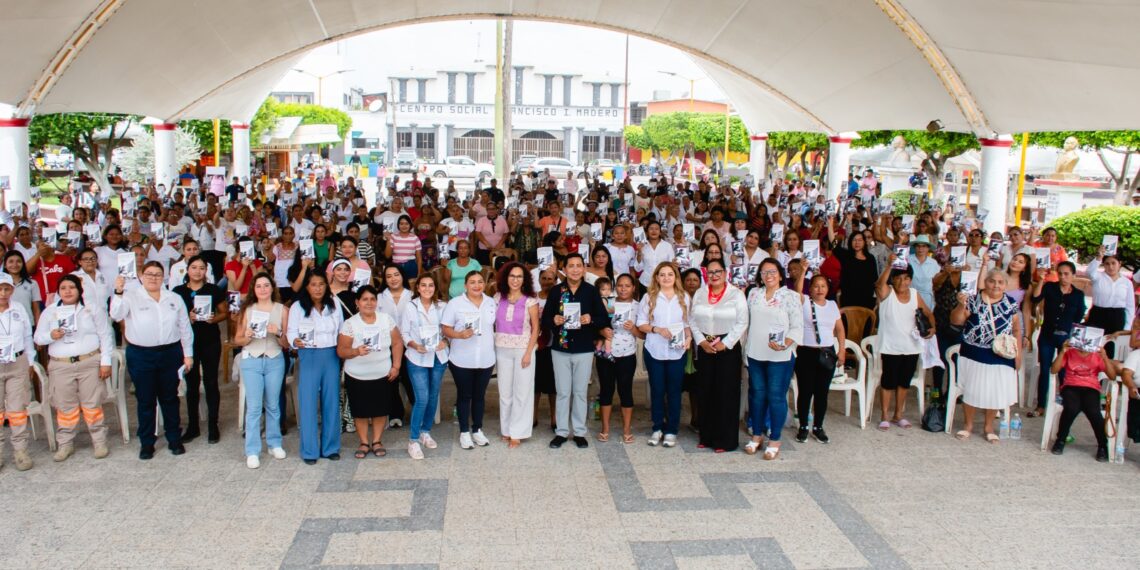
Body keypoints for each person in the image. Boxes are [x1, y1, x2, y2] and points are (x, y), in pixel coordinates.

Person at [111, 262, 194, 460]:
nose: (153, 278)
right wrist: (118, 291)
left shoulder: (174, 298)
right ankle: (147, 442)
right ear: (141, 276)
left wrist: (188, 354)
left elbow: (184, 326)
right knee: (146, 399)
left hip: (170, 353)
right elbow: (116, 314)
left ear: (163, 277)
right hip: (141, 355)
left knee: (170, 398)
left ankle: (174, 438)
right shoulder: (130, 297)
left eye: (157, 274)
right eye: (149, 274)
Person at [34, 275, 115, 462]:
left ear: (79, 290)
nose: (68, 291)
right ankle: (65, 443)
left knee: (92, 403)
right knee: (64, 406)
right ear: (58, 291)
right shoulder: (50, 312)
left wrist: (105, 361)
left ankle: (99, 440)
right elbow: (38, 338)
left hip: (89, 362)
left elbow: (105, 335)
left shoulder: (91, 309)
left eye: (72, 287)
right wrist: (51, 335)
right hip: (61, 365)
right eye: (63, 288)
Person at [541, 253, 612, 449]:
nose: (574, 269)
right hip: (560, 349)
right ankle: (562, 432)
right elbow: (545, 319)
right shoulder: (557, 291)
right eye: (570, 265)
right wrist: (554, 320)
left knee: (580, 392)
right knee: (563, 392)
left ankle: (579, 432)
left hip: (583, 348)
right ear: (564, 268)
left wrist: (591, 319)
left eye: (578, 265)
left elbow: (604, 319)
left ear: (583, 268)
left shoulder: (590, 291)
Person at [949, 270, 1022, 443]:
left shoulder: (1010, 302)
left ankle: (989, 426)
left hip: (1001, 353)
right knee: (972, 388)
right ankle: (968, 425)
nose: (996, 285)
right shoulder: (972, 300)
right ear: (985, 282)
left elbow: (1017, 328)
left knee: (996, 389)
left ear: (1005, 285)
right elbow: (956, 321)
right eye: (992, 281)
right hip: (974, 351)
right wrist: (961, 305)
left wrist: (1017, 353)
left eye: (1000, 282)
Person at [744, 258, 803, 459]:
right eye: (764, 272)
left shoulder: (791, 296)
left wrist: (786, 342)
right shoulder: (753, 294)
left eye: (772, 271)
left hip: (781, 354)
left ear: (780, 273)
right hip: (756, 352)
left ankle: (775, 438)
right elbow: (747, 321)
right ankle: (757, 435)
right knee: (757, 394)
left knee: (776, 395)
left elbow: (797, 325)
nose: (768, 276)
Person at [688, 259, 748, 452]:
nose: (714, 276)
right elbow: (692, 319)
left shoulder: (736, 294)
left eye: (718, 272)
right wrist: (701, 342)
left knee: (725, 392)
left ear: (725, 273)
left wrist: (726, 343)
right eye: (710, 272)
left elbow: (742, 322)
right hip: (706, 346)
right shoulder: (700, 293)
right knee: (705, 390)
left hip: (727, 347)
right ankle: (706, 436)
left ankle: (725, 440)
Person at [338, 286, 403, 459]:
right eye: (364, 299)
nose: (369, 303)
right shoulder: (350, 324)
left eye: (372, 299)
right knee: (360, 410)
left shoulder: (385, 320)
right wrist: (356, 351)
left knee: (380, 410)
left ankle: (376, 440)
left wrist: (396, 366)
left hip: (382, 374)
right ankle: (363, 442)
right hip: (357, 375)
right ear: (357, 303)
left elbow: (397, 343)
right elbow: (341, 350)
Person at [231, 273, 289, 468]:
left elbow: (287, 343)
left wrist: (278, 332)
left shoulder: (282, 310)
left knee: (273, 404)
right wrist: (246, 337)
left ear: (272, 287)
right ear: (253, 290)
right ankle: (252, 450)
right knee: (254, 407)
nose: (263, 289)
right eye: (259, 286)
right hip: (252, 359)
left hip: (274, 358)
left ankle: (274, 443)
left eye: (266, 285)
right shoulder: (247, 310)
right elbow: (237, 340)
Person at [287, 273, 344, 465]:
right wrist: (294, 341)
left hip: (331, 355)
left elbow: (341, 330)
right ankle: (309, 450)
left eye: (321, 284)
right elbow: (291, 331)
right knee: (308, 402)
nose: (318, 288)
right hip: (309, 355)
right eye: (313, 285)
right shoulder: (297, 306)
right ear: (307, 287)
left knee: (331, 401)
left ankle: (331, 447)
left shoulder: (334, 304)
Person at [873, 257, 935, 431]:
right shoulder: (887, 292)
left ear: (910, 279)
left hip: (911, 346)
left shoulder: (915, 294)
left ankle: (898, 414)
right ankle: (885, 415)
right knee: (888, 382)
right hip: (891, 347)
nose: (902, 281)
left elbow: (928, 313)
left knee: (904, 382)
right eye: (898, 278)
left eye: (906, 278)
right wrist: (889, 265)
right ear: (892, 279)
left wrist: (933, 328)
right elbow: (878, 285)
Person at [173, 255, 229, 444]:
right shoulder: (178, 292)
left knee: (211, 382)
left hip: (210, 340)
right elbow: (172, 318)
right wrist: (187, 318)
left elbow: (224, 312)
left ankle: (213, 425)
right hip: (188, 343)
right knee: (192, 384)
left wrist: (215, 319)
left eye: (202, 268)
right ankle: (193, 426)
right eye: (194, 267)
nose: (198, 271)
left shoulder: (213, 289)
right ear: (187, 270)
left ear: (207, 271)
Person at [636, 262, 692, 448]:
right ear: (657, 278)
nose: (666, 278)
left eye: (670, 274)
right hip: (655, 350)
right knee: (657, 391)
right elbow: (641, 323)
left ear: (676, 277)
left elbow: (688, 324)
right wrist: (657, 329)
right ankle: (658, 427)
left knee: (674, 392)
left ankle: (672, 430)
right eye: (662, 274)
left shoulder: (684, 298)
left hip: (677, 352)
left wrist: (689, 338)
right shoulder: (649, 297)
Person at [441, 270, 498, 449]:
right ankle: (464, 432)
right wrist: (458, 334)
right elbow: (445, 328)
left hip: (486, 358)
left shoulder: (491, 302)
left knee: (480, 396)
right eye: (472, 282)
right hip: (461, 359)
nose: (476, 285)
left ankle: (477, 430)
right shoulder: (455, 303)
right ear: (465, 285)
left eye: (480, 281)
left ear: (485, 283)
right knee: (465, 395)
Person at [399, 272, 449, 459]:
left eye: (431, 285)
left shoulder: (442, 306)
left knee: (433, 396)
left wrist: (445, 341)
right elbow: (404, 333)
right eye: (423, 285)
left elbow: (448, 329)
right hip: (417, 357)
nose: (427, 289)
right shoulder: (410, 307)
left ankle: (425, 431)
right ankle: (413, 439)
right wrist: (414, 345)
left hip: (438, 357)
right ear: (417, 288)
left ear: (435, 288)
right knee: (422, 398)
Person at [1028, 261, 1086, 418]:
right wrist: (1041, 279)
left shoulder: (1078, 294)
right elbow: (1035, 298)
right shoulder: (1050, 287)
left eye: (1066, 274)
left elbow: (1079, 316)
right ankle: (1041, 405)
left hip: (1065, 337)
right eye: (1060, 273)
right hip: (1047, 334)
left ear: (1073, 275)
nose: (1063, 276)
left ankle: (1064, 403)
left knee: (1063, 371)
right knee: (1045, 369)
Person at [793, 274, 846, 444]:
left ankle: (818, 427)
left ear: (828, 289)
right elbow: (797, 291)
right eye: (816, 286)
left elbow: (840, 329)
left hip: (827, 352)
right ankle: (803, 426)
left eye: (823, 286)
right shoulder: (805, 302)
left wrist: (842, 350)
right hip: (807, 352)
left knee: (822, 392)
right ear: (811, 288)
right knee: (805, 391)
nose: (820, 289)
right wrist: (803, 270)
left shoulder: (832, 305)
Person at [493, 262, 540, 448]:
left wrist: (529, 352)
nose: (515, 280)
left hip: (523, 350)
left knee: (522, 392)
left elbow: (536, 328)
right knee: (504, 392)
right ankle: (506, 429)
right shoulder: (497, 298)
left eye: (519, 276)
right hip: (501, 349)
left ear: (525, 280)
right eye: (512, 276)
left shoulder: (530, 301)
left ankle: (517, 432)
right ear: (506, 278)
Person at [1049, 340, 1115, 462]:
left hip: (1091, 388)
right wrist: (1063, 351)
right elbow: (1053, 370)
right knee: (1071, 408)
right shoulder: (1070, 352)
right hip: (1071, 386)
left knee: (1093, 411)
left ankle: (1102, 445)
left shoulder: (1097, 354)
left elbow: (1112, 376)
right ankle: (1061, 440)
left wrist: (1105, 357)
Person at [597, 273, 641, 444]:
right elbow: (598, 324)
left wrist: (633, 329)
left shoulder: (638, 306)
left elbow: (643, 334)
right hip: (606, 354)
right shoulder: (608, 303)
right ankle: (605, 428)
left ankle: (626, 429)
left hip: (627, 354)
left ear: (633, 288)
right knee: (606, 390)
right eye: (620, 286)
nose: (623, 289)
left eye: (627, 286)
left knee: (625, 391)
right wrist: (602, 331)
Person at [0, 274, 36, 471]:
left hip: (17, 362)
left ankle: (20, 451)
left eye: (7, 289)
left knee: (17, 410)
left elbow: (27, 335)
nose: (3, 293)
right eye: (0, 289)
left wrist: (30, 361)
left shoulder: (18, 309)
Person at [1084, 246, 1134, 348]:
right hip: (1098, 314)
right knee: (1093, 346)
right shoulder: (1098, 277)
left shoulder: (1126, 282)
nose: (1110, 267)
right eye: (1107, 263)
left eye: (1113, 263)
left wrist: (1127, 327)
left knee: (1111, 347)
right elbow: (1089, 272)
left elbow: (1130, 306)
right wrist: (1098, 257)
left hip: (1117, 317)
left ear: (1119, 264)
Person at [384, 214, 422, 279]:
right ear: (398, 225)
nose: (404, 226)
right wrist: (388, 240)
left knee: (411, 287)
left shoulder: (415, 238)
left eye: (406, 224)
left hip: (411, 266)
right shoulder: (393, 237)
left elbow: (419, 258)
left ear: (410, 225)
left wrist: (419, 273)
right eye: (401, 224)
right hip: (396, 267)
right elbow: (387, 255)